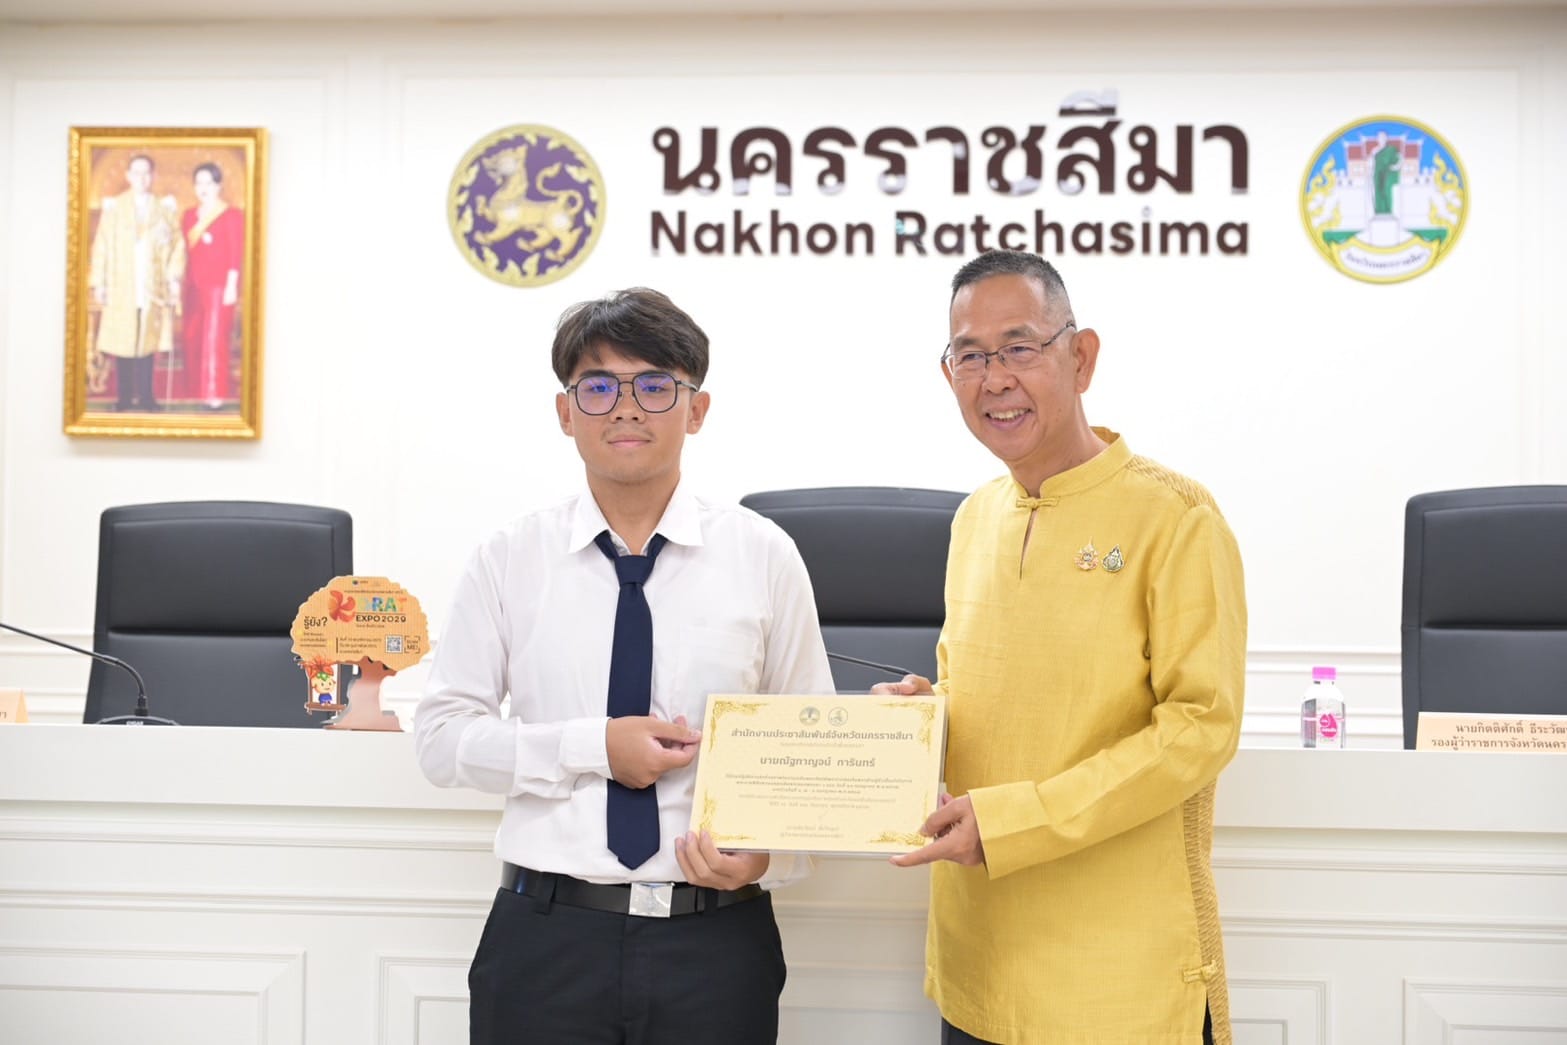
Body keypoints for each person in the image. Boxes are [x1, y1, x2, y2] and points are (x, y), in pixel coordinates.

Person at [414, 287, 834, 1045]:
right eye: (599, 386)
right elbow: (442, 740)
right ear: (565, 411)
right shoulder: (508, 557)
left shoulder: (763, 554)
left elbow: (808, 745)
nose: (626, 408)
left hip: (716, 943)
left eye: (655, 385)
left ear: (696, 409)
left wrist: (767, 857)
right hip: (545, 939)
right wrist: (591, 747)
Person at [876, 250, 1246, 1045]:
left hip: (1112, 985)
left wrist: (1016, 820)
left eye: (1018, 346)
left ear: (1080, 357)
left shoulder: (1175, 516)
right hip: (976, 965)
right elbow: (982, 690)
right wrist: (923, 717)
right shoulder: (974, 517)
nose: (994, 378)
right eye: (970, 356)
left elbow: (1199, 727)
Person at [88, 153, 186, 412]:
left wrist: (173, 278)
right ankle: (123, 399)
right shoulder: (115, 209)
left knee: (147, 344)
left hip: (151, 286)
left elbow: (177, 246)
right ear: (128, 176)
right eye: (136, 173)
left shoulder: (164, 209)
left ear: (153, 176)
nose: (141, 178)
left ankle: (146, 398)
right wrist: (99, 283)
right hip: (122, 284)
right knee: (123, 343)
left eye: (146, 173)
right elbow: (101, 247)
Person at [180, 162, 244, 408]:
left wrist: (232, 286)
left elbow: (235, 253)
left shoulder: (231, 215)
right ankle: (195, 389)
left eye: (209, 182)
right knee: (193, 337)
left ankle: (214, 392)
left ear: (219, 186)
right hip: (193, 286)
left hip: (219, 287)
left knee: (214, 339)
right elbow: (183, 252)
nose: (203, 188)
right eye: (199, 183)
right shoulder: (189, 216)